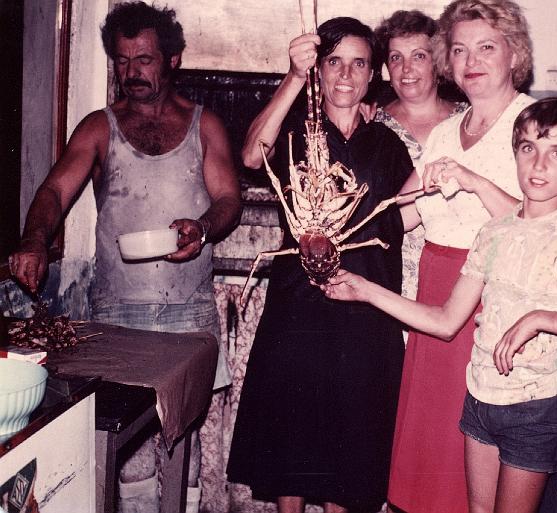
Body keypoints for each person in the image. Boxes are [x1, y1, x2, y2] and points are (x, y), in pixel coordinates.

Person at [322, 98, 557, 513]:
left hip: (533, 408)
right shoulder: (493, 231)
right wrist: (365, 289)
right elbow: (444, 321)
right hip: (479, 400)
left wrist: (540, 319)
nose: (539, 165)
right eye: (528, 148)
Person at [8, 2, 242, 512]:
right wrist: (33, 240)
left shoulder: (206, 126)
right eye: (122, 61)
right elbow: (53, 191)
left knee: (185, 443)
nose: (131, 72)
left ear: (172, 60)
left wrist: (201, 229)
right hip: (116, 312)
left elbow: (228, 201)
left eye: (144, 60)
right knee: (127, 450)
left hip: (190, 314)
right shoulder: (98, 127)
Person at [226, 17, 413, 513]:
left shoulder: (388, 145)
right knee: (293, 423)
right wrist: (292, 76)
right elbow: (250, 156)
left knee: (351, 440)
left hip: (365, 305)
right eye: (334, 62)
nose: (346, 76)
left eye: (359, 64)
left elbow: (410, 215)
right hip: (299, 304)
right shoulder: (296, 131)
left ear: (373, 74)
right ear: (319, 70)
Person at [384, 1, 535, 511]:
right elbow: (402, 213)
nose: (471, 60)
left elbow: (543, 225)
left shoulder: (532, 123)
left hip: (491, 297)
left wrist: (473, 181)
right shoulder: (449, 129)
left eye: (486, 47)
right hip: (435, 288)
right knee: (428, 443)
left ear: (514, 54)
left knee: (467, 456)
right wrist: (334, 227)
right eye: (460, 49)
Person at [373, 9, 467, 302]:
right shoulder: (372, 128)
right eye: (396, 58)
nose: (406, 68)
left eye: (419, 56)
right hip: (395, 275)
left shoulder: (470, 120)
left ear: (438, 63)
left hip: (461, 272)